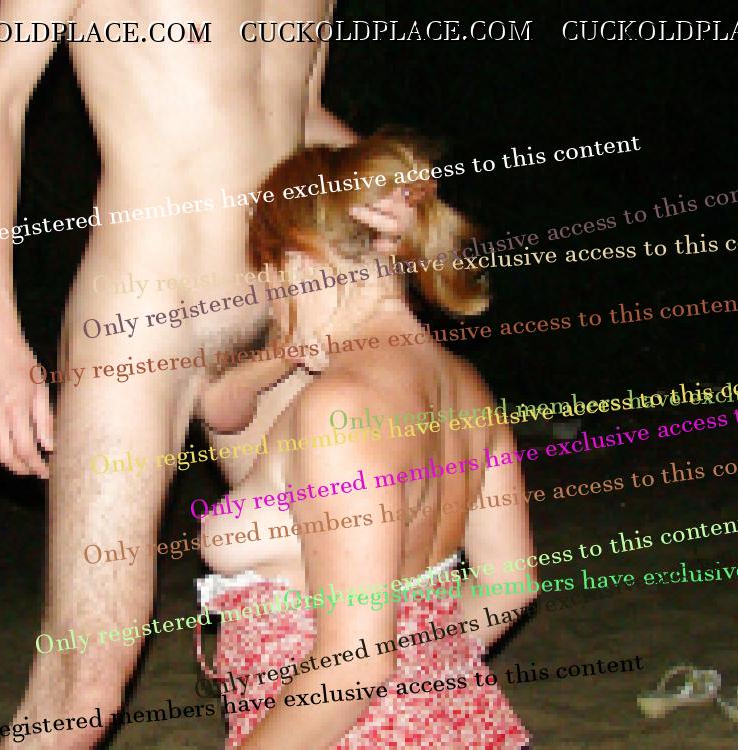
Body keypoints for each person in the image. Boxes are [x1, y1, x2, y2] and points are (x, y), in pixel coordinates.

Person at [0, 3, 389, 747]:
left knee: (337, 625)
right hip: (145, 313)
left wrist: (394, 184)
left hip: (283, 319)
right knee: (88, 674)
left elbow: (298, 111)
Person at [194, 132, 536, 749]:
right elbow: (510, 586)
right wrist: (425, 680)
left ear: (297, 260)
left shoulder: (340, 408)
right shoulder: (466, 386)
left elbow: (353, 666)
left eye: (267, 278)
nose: (270, 302)